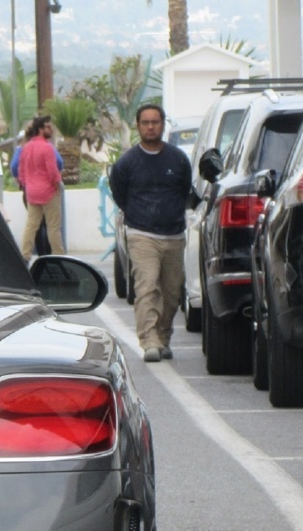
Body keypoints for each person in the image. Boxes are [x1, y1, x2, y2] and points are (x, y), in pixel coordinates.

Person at [109, 103, 193, 363]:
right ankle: (149, 341)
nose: (150, 127)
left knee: (171, 292)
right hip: (141, 234)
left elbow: (184, 190)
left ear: (163, 124)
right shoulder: (126, 163)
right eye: (145, 122)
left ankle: (163, 335)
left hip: (174, 235)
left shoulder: (178, 159)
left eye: (155, 122)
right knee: (147, 286)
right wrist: (137, 213)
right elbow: (119, 193)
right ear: (138, 126)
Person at [16, 114, 64, 264]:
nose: (51, 129)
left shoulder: (26, 148)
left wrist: (26, 186)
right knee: (53, 226)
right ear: (41, 129)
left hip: (31, 192)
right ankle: (58, 256)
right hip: (48, 192)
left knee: (31, 225)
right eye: (49, 127)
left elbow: (21, 172)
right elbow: (53, 172)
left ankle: (25, 255)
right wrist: (58, 186)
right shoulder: (47, 148)